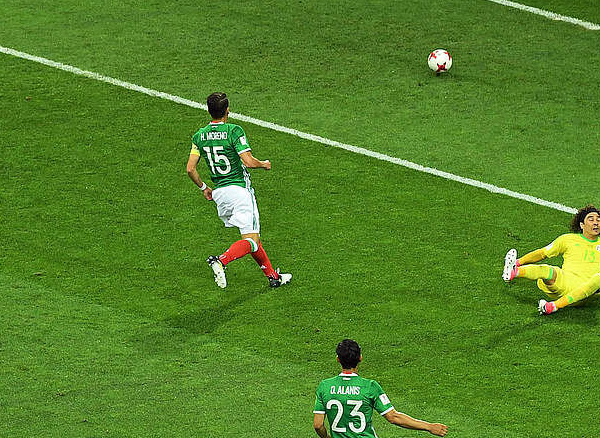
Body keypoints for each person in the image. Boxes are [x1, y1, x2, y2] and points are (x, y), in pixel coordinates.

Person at [187, 92, 291, 290]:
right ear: (227, 110)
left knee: (252, 237)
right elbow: (249, 162)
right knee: (250, 240)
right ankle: (221, 261)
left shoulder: (199, 137)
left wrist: (204, 188)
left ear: (209, 111)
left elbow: (190, 168)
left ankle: (273, 277)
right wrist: (264, 164)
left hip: (220, 195)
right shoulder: (234, 131)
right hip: (240, 192)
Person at [501, 204, 600, 315]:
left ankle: (553, 307)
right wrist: (519, 261)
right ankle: (514, 271)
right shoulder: (567, 239)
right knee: (548, 270)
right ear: (581, 224)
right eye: (591, 219)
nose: (596, 222)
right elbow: (542, 253)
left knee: (599, 279)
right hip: (565, 283)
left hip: (587, 291)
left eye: (598, 220)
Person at [313, 339, 448, 438]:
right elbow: (393, 417)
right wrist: (429, 426)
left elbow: (318, 425)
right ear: (360, 358)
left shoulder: (324, 387)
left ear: (338, 359)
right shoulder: (370, 387)